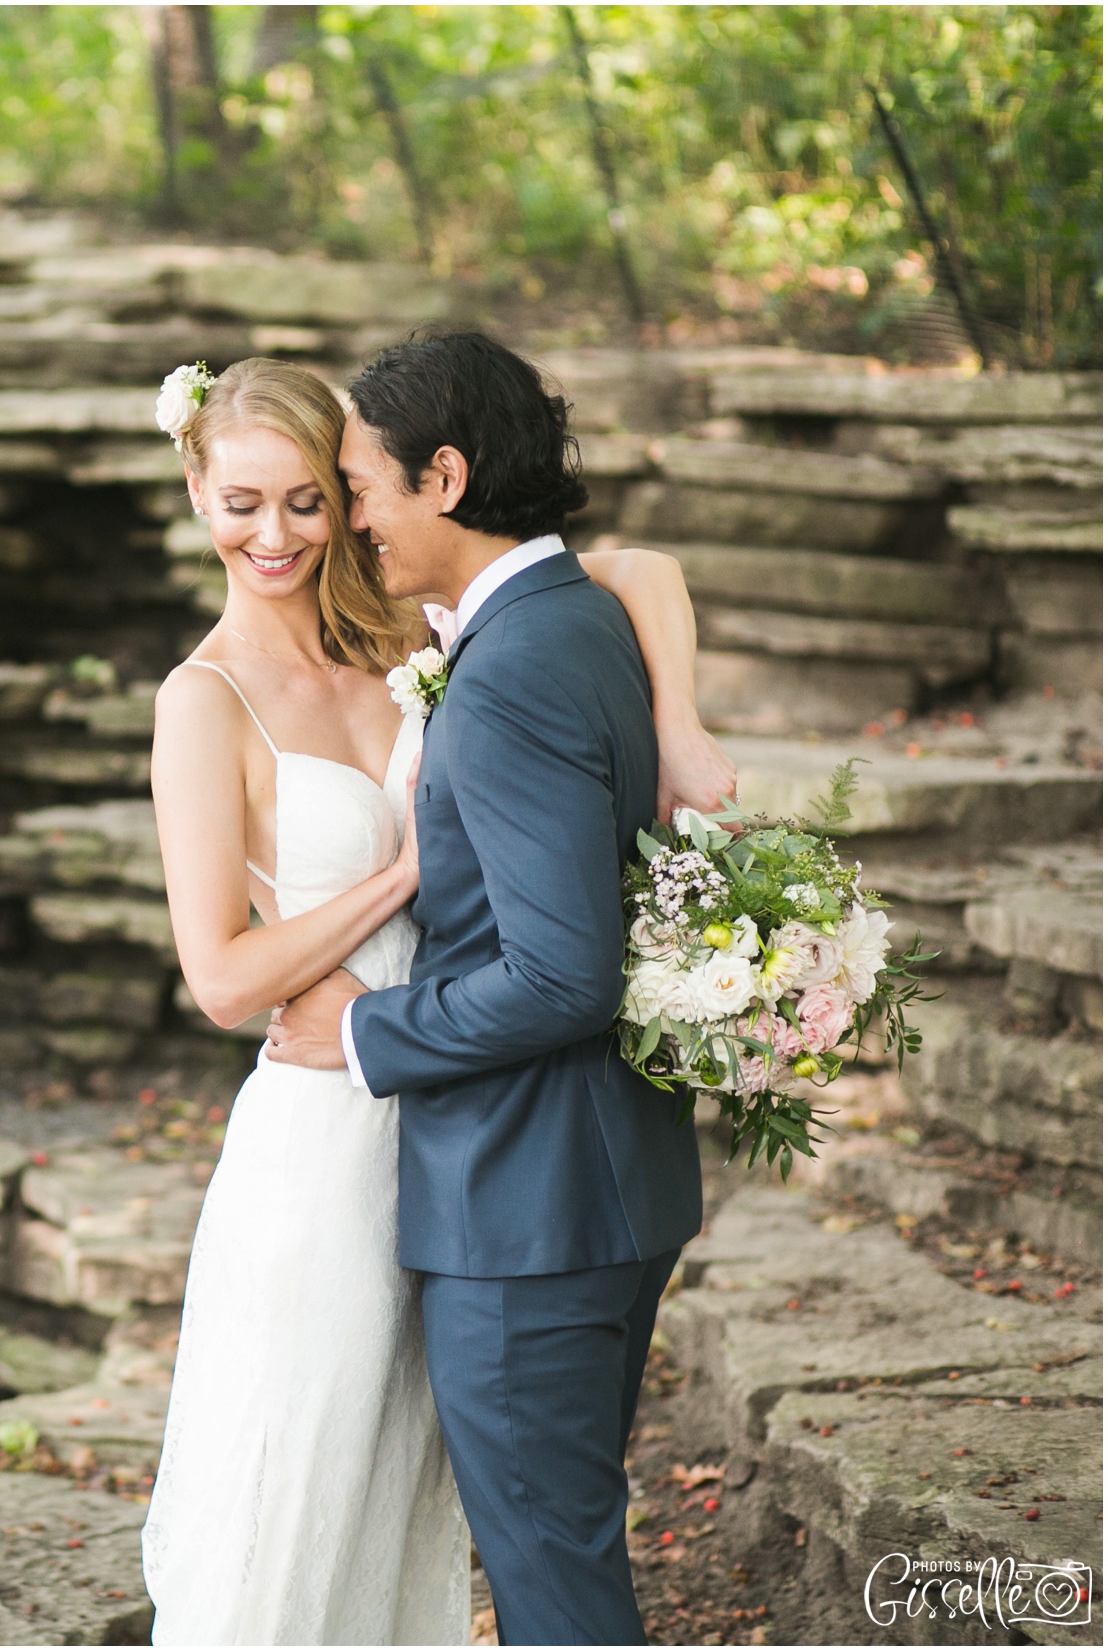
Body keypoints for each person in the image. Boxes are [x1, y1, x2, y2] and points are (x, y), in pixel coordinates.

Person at [140, 345, 728, 1645]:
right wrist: (391, 879)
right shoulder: (205, 702)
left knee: (431, 1502)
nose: (283, 532)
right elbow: (224, 977)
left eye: (313, 495)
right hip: (330, 1133)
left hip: (474, 1118)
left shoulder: (419, 632)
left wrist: (678, 722)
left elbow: (631, 570)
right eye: (242, 503)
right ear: (194, 494)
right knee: (294, 1492)